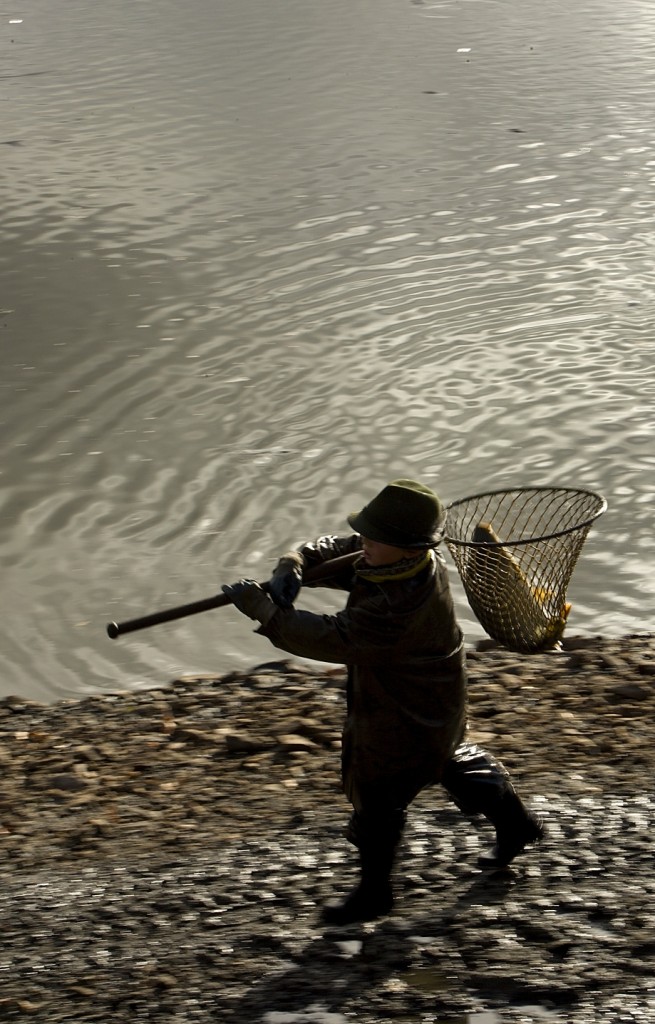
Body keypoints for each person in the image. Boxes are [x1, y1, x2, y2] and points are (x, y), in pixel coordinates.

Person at [222, 479, 544, 926]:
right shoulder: (400, 559)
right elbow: (340, 548)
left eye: (376, 537)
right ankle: (518, 825)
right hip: (433, 694)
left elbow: (334, 637)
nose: (365, 542)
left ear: (409, 547)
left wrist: (266, 611)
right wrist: (294, 562)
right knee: (446, 756)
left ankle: (375, 893)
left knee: (376, 789)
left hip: (406, 704)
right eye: (367, 533)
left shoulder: (402, 602)